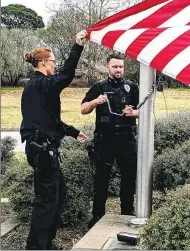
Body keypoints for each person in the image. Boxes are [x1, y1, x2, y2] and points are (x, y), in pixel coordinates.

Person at [20, 30, 88, 250]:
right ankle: (37, 247)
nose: (55, 65)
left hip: (44, 149)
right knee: (46, 202)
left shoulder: (38, 88)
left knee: (57, 196)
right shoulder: (40, 85)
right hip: (42, 151)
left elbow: (50, 121)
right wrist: (77, 46)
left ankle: (45, 243)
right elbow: (66, 76)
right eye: (52, 61)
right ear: (42, 63)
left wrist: (73, 132)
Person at [81, 53, 139, 228]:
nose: (118, 70)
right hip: (104, 140)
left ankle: (127, 213)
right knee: (101, 180)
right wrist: (94, 103)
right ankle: (97, 215)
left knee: (128, 179)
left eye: (121, 67)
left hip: (127, 139)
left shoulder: (132, 87)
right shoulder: (99, 87)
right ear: (108, 68)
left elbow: (146, 111)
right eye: (115, 67)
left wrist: (134, 113)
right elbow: (83, 109)